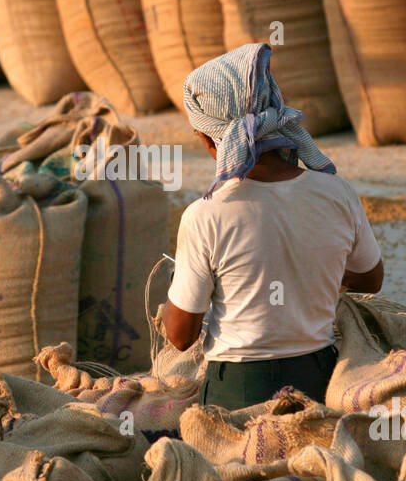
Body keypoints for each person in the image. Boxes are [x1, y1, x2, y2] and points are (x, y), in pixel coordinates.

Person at [162, 42, 384, 410]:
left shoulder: (207, 214)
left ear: (207, 139)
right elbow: (370, 279)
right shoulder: (337, 192)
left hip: (238, 391)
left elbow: (180, 336)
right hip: (321, 380)